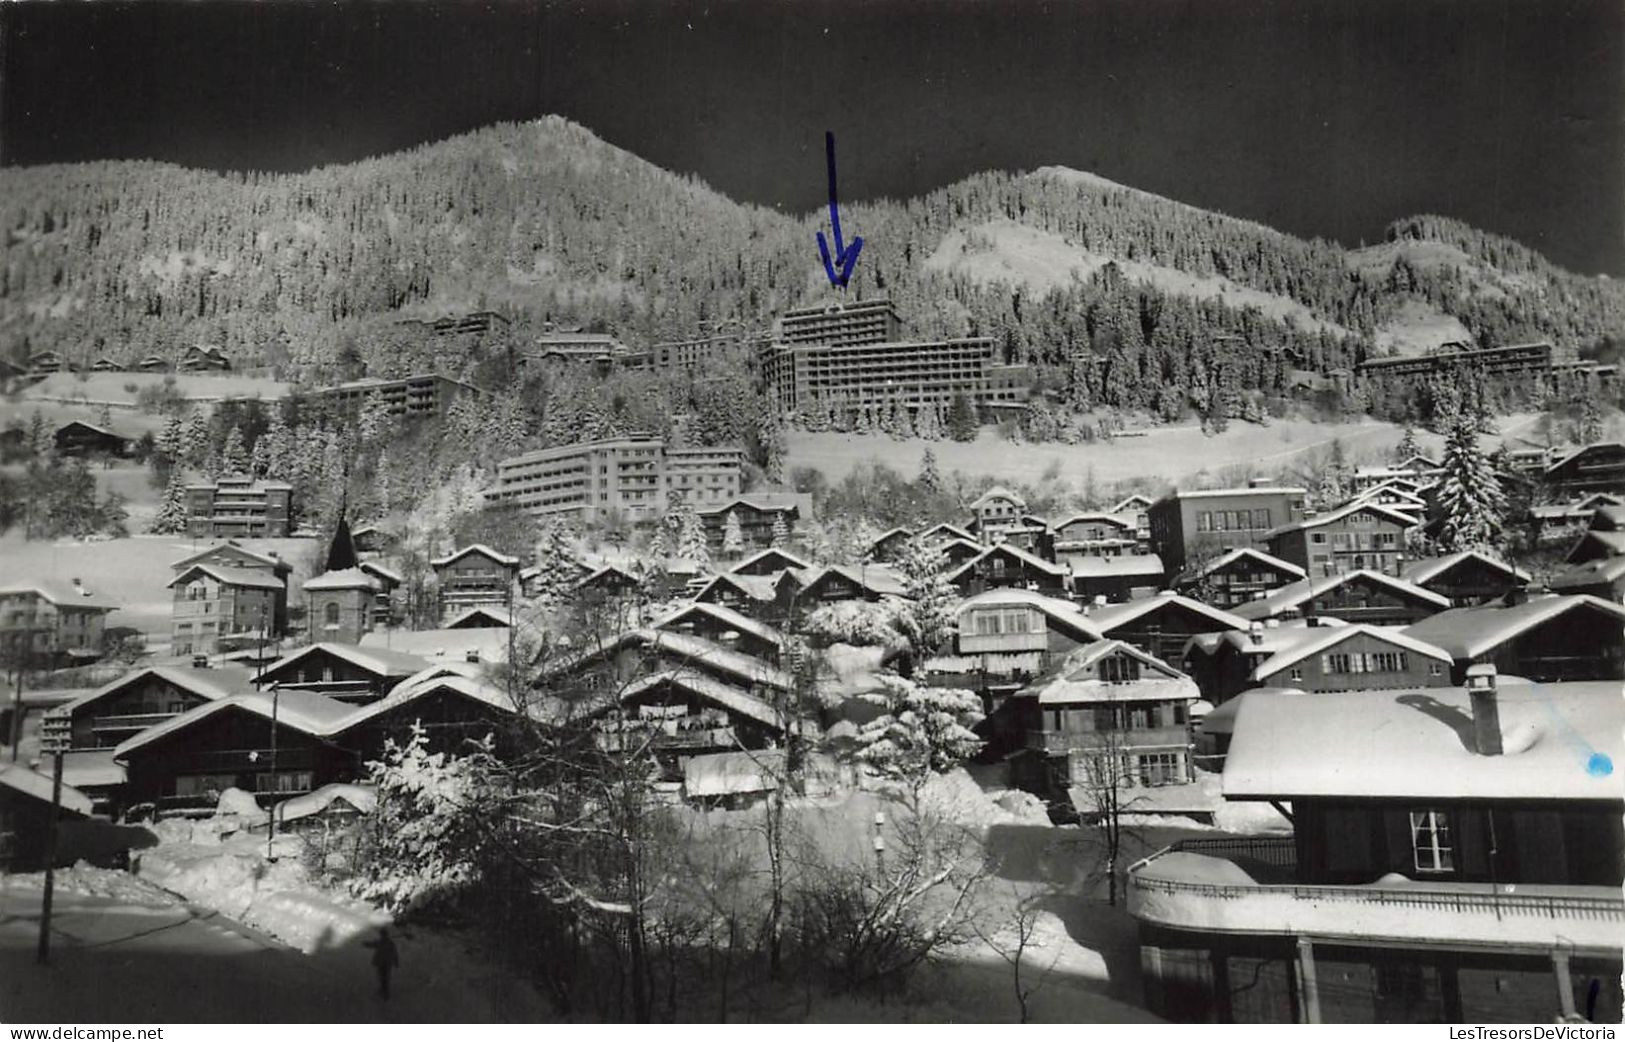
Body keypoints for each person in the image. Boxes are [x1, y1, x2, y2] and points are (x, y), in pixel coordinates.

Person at [363, 927, 399, 999]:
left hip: (382, 963)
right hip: (385, 963)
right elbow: (394, 953)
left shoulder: (382, 942)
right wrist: (396, 962)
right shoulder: (389, 942)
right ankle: (384, 991)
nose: (382, 935)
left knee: (383, 977)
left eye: (382, 934)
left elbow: (372, 945)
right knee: (384, 977)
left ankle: (384, 992)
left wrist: (366, 944)